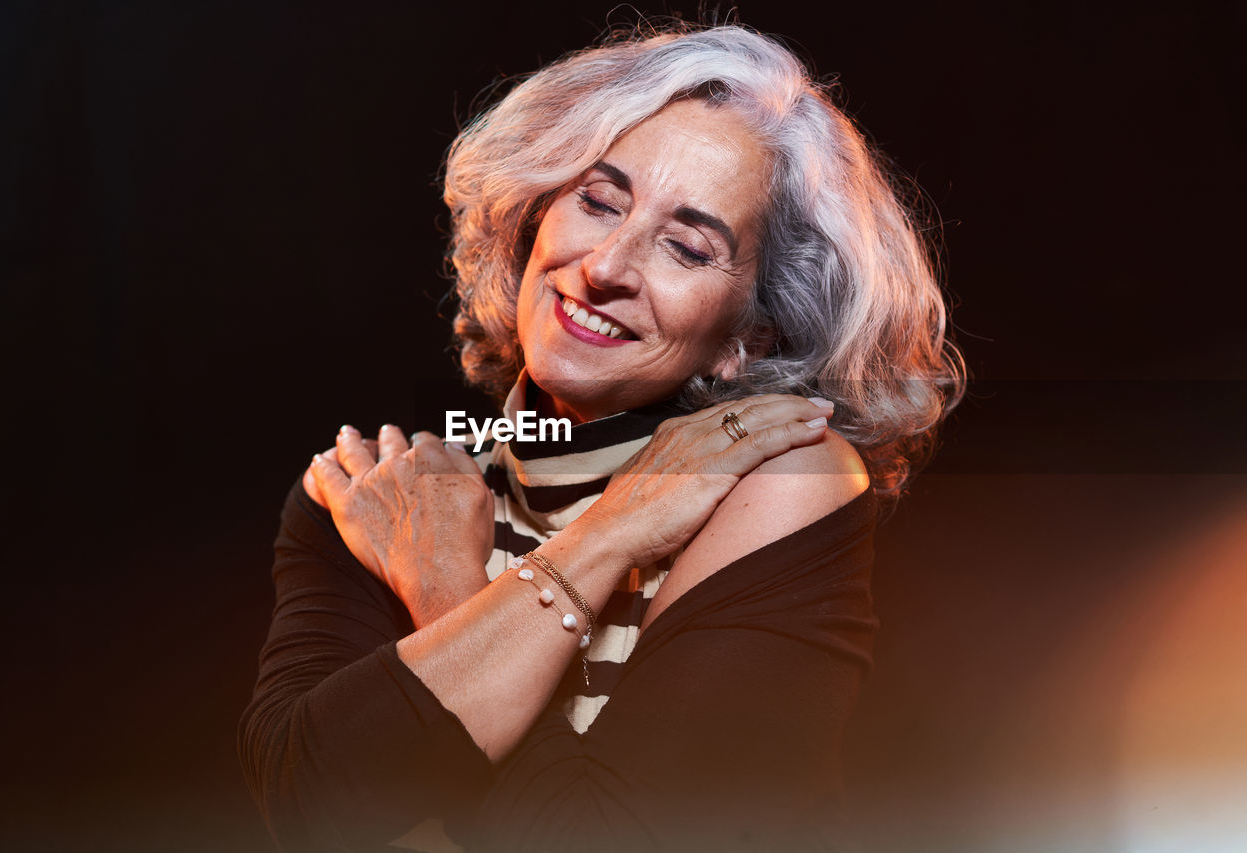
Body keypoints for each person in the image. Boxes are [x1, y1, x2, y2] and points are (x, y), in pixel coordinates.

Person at [239, 22, 963, 852]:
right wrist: (612, 534)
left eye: (686, 247)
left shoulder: (785, 482)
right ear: (534, 216)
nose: (607, 265)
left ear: (748, 339)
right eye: (597, 199)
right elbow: (309, 805)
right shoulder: (380, 489)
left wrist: (447, 582)